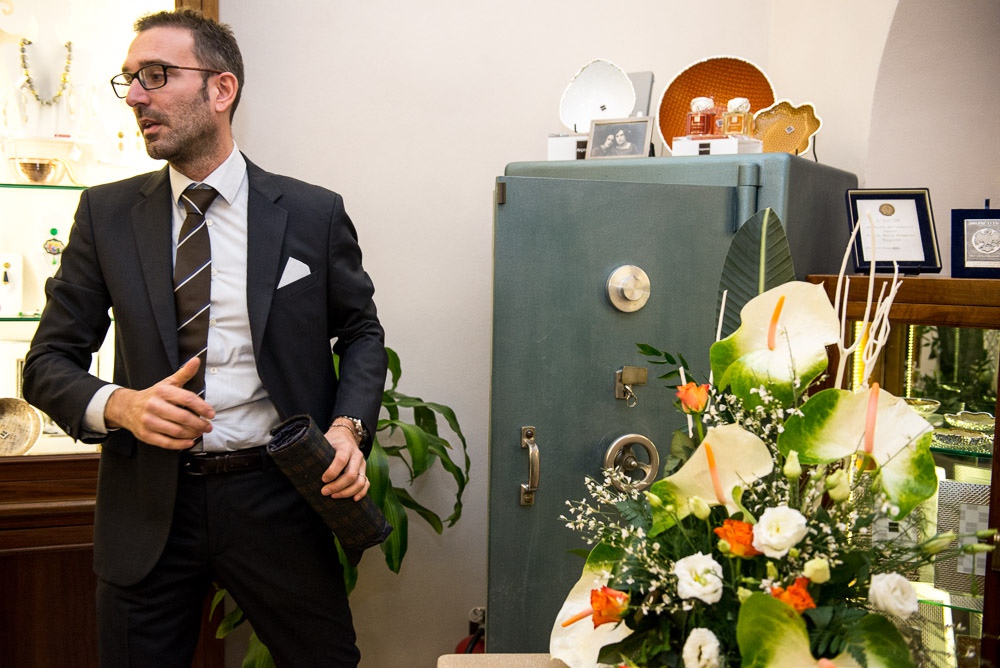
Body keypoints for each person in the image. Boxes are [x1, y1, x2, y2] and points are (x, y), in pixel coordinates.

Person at [21, 9, 387, 667]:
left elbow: (360, 331)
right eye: (129, 80)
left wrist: (347, 428)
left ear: (221, 89)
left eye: (156, 75)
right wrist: (122, 405)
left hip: (277, 498)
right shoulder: (105, 216)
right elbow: (48, 360)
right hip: (147, 505)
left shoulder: (312, 213)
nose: (136, 97)